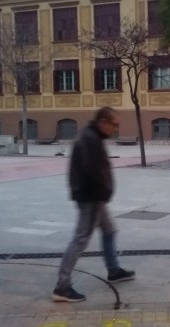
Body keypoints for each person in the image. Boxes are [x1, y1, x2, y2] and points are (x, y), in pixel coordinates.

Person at [52, 107, 135, 303]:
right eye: (114, 125)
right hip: (91, 198)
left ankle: (113, 270)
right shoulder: (90, 139)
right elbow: (91, 171)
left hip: (94, 196)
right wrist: (103, 192)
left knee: (109, 231)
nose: (116, 129)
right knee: (80, 240)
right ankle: (62, 287)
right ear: (104, 122)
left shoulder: (92, 136)